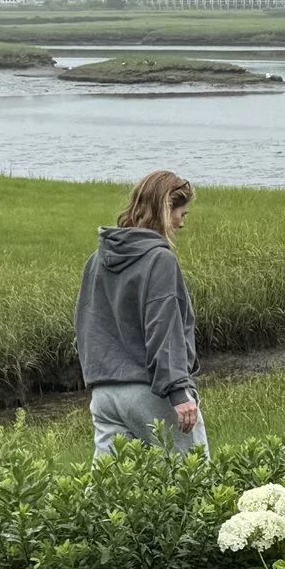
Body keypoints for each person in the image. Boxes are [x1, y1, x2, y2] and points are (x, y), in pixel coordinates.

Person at [74, 169, 208, 460]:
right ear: (165, 207)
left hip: (104, 394)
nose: (181, 224)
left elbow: (86, 324)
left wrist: (97, 378)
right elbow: (164, 327)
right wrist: (178, 391)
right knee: (193, 478)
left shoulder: (96, 260)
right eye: (181, 214)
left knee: (109, 491)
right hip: (150, 392)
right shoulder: (159, 260)